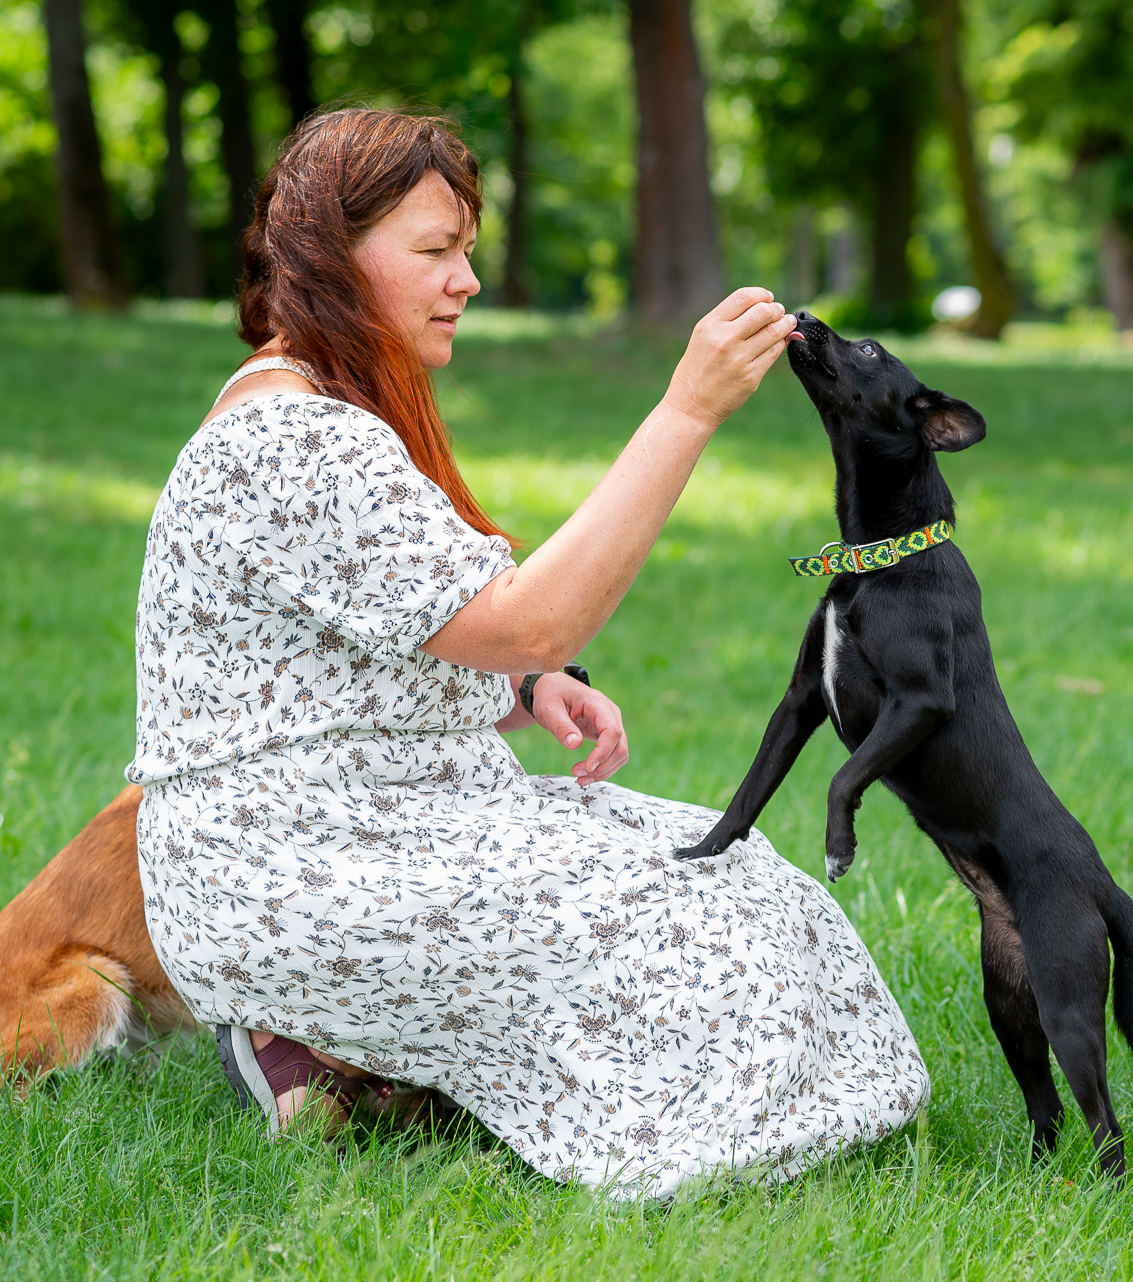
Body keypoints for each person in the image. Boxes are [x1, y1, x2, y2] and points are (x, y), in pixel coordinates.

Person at [127, 109, 927, 1200]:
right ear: (327, 256)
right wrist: (686, 412)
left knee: (736, 881)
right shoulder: (293, 440)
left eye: (466, 251)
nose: (465, 280)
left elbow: (395, 639)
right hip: (305, 867)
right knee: (689, 942)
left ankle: (365, 1065)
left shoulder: (329, 409)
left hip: (390, 827)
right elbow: (525, 615)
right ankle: (312, 1039)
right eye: (434, 252)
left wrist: (524, 684)